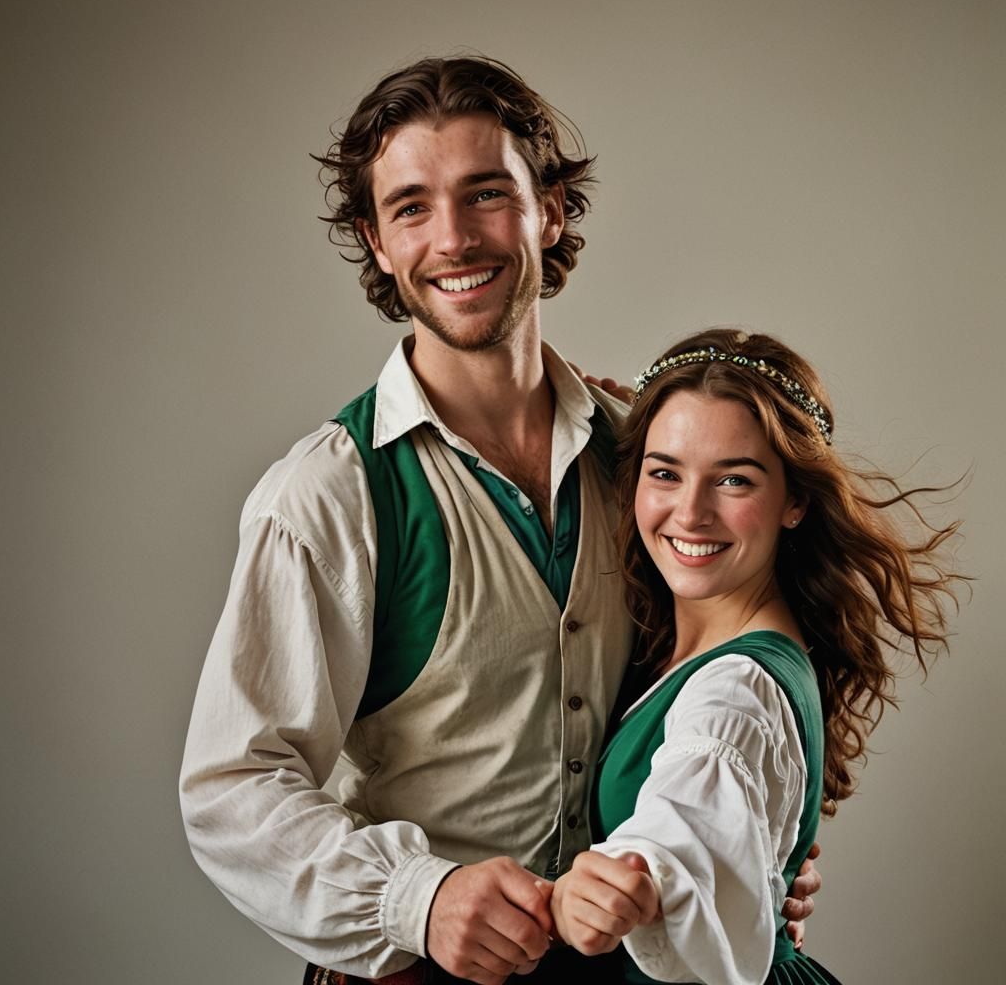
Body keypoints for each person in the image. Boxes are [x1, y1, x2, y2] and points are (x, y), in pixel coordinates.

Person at [179, 58, 819, 985]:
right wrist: (420, 900)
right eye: (410, 208)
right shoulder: (328, 493)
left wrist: (745, 850)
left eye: (486, 194)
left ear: (549, 209)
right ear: (377, 239)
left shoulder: (641, 458)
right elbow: (231, 788)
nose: (453, 239)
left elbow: (717, 675)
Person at [549, 328, 963, 984]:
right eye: (665, 472)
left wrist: (601, 889)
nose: (690, 513)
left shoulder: (736, 691)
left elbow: (672, 842)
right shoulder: (672, 638)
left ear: (795, 500)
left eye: (733, 480)